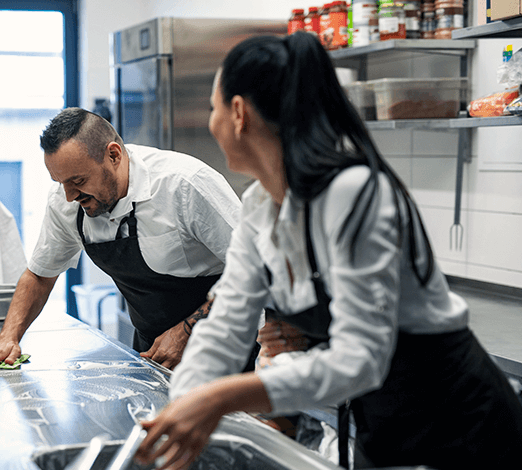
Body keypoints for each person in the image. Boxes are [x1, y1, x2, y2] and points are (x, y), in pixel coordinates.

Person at [134, 32, 522, 470]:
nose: (211, 121)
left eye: (213, 108)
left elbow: (360, 359)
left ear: (238, 114)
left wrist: (219, 398)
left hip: (460, 422)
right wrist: (181, 406)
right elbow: (225, 326)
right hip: (383, 421)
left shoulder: (355, 193)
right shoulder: (261, 208)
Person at [0, 107, 242, 371]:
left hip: (227, 344)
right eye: (61, 183)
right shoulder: (67, 201)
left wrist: (187, 331)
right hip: (154, 350)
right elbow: (40, 276)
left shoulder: (184, 184)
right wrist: (8, 340)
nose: (71, 195)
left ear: (114, 155)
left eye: (79, 181)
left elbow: (258, 269)